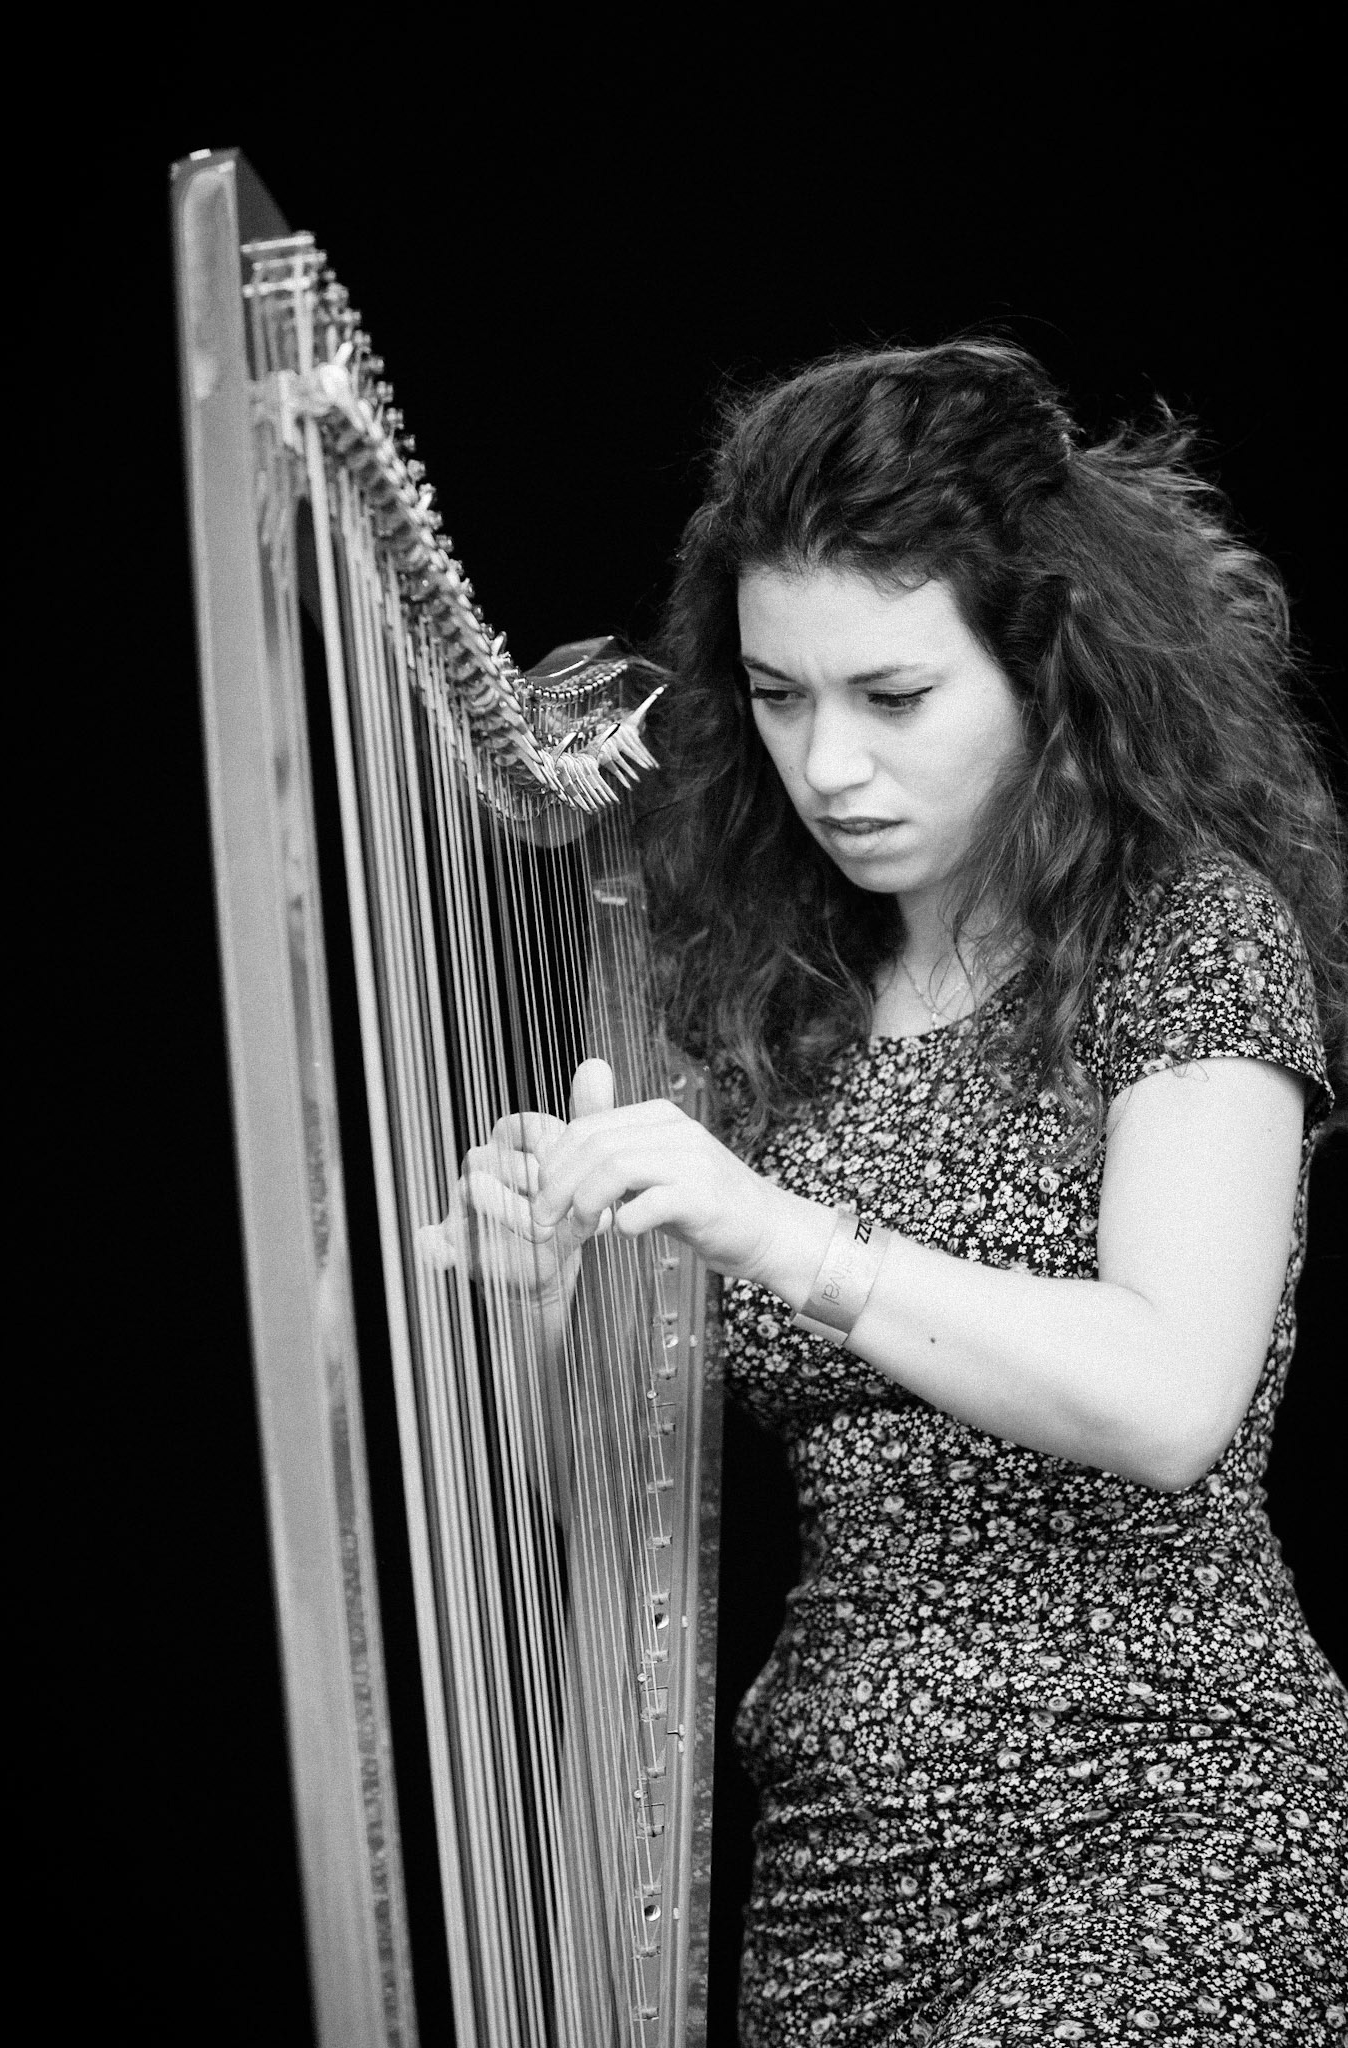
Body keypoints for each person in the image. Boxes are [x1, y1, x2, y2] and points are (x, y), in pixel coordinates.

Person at [446, 344, 1348, 2044]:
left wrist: (784, 1233)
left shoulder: (1185, 930)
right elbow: (615, 1500)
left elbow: (1169, 1397)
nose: (827, 763)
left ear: (1041, 667)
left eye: (893, 696)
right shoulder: (754, 983)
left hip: (1165, 1830)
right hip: (837, 1875)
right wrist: (531, 1311)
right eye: (777, 697)